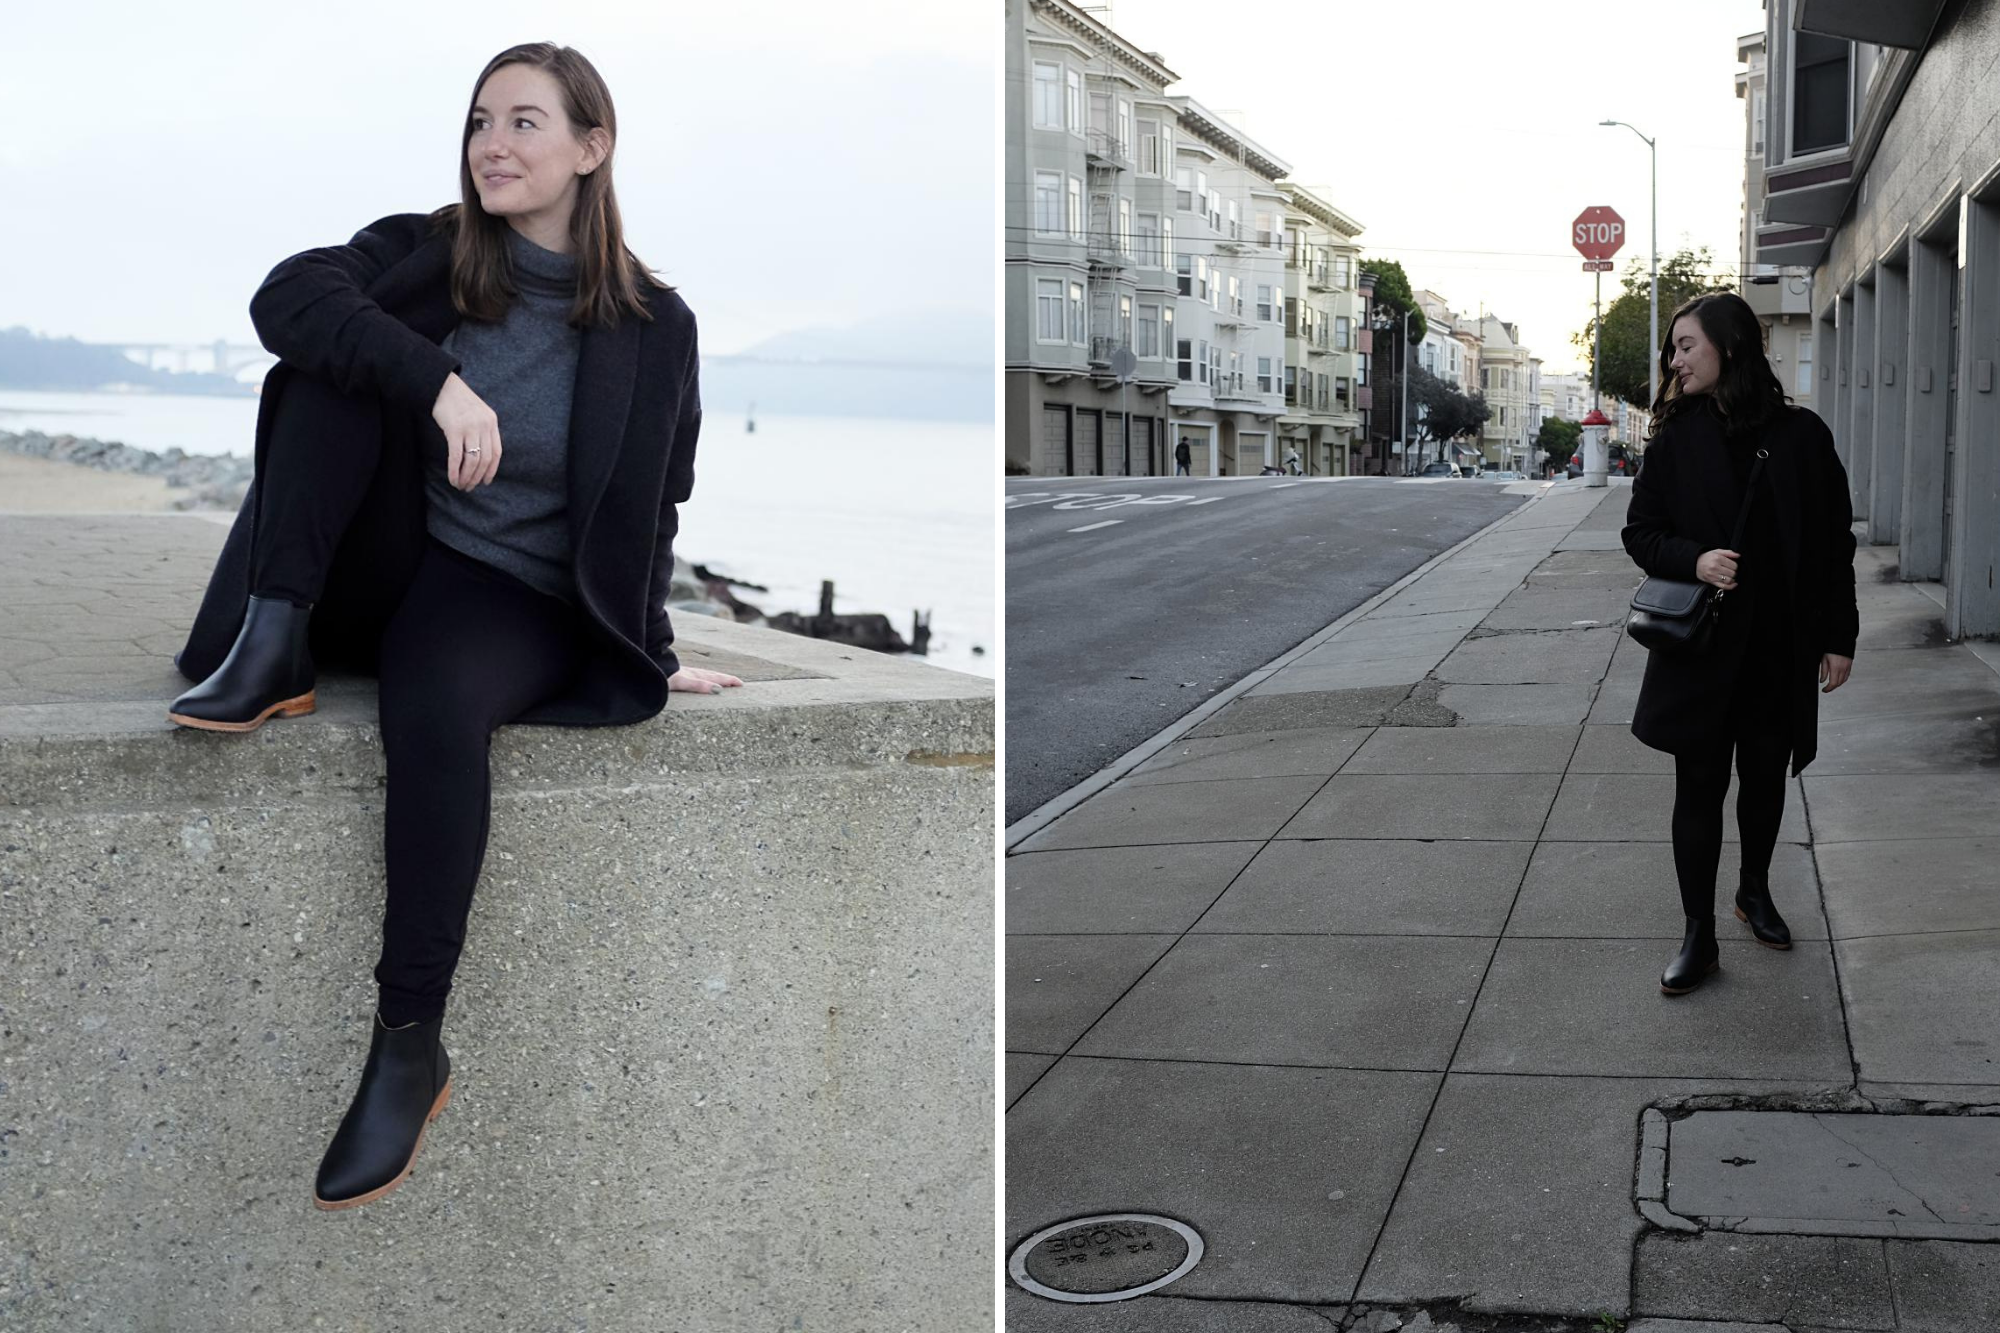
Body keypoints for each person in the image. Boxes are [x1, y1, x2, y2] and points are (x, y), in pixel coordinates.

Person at [167, 43, 742, 1210]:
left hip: (510, 595)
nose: (494, 142)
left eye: (527, 122)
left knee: (435, 712)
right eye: (482, 119)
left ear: (592, 147)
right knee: (329, 357)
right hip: (378, 562)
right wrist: (435, 377)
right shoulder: (425, 251)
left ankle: (406, 1041)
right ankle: (273, 640)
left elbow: (657, 497)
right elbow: (284, 295)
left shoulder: (653, 327)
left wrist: (652, 648)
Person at [1621, 291, 1856, 997]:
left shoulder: (1802, 437)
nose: (1674, 359)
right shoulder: (1673, 438)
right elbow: (1640, 533)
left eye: (1686, 345)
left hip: (1777, 648)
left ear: (1731, 347)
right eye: (1672, 348)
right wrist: (1694, 559)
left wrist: (1838, 636)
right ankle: (1699, 934)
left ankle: (1754, 891)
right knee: (1698, 786)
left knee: (1762, 782)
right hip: (1702, 650)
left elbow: (1831, 545)